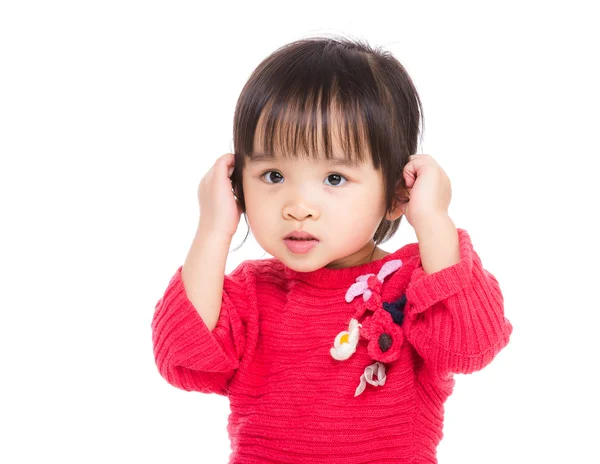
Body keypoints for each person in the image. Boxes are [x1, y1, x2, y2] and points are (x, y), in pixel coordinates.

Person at [151, 35, 513, 463]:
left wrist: (433, 218)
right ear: (237, 184)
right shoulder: (249, 294)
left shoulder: (419, 280)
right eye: (272, 175)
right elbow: (182, 357)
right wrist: (213, 230)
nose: (298, 208)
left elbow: (472, 343)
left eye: (334, 178)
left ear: (398, 192)